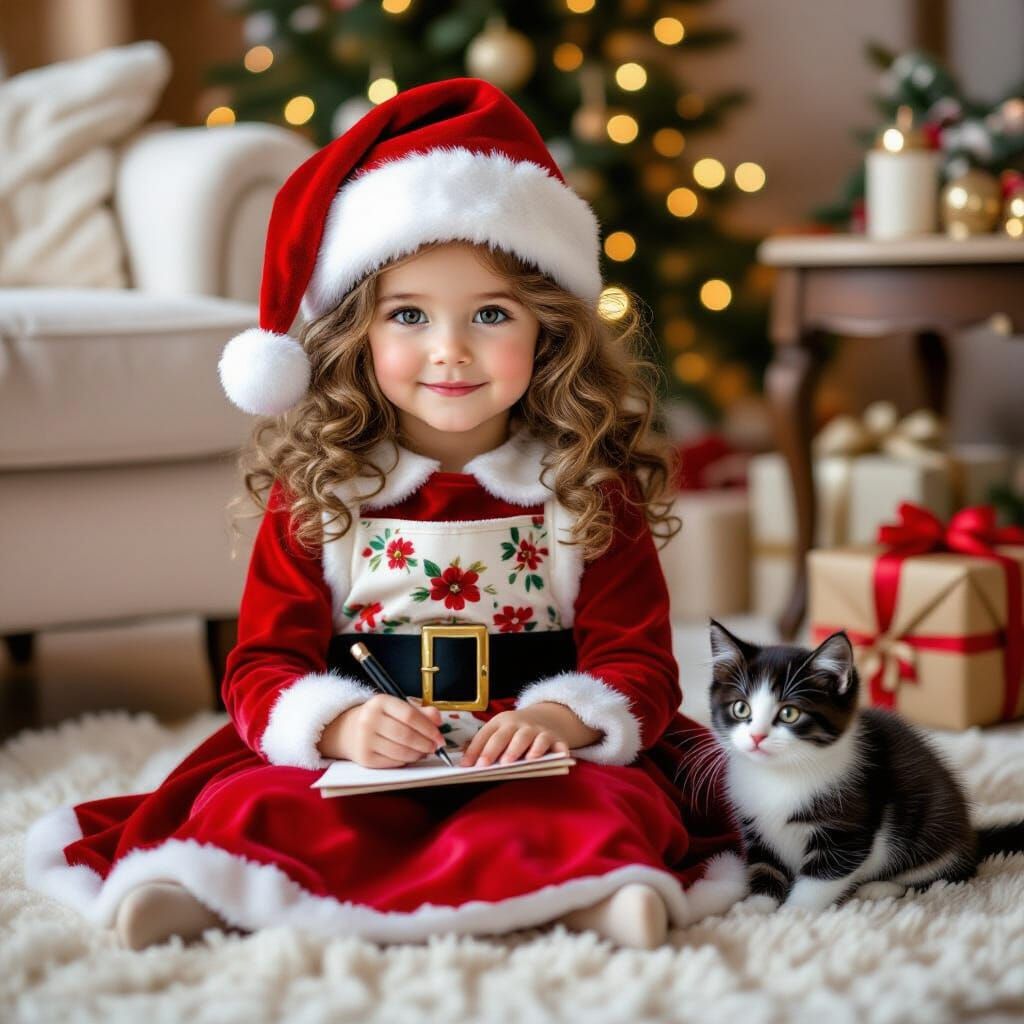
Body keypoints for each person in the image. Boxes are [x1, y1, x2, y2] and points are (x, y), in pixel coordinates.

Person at [24, 78, 743, 951]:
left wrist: (559, 721)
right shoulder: (326, 488)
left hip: (532, 745)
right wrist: (338, 725)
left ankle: (599, 891)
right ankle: (210, 889)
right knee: (263, 799)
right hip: (367, 747)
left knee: (608, 799)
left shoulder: (585, 482)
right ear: (357, 336)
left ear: (548, 332)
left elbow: (637, 660)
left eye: (490, 314)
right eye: (408, 315)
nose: (450, 350)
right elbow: (262, 663)